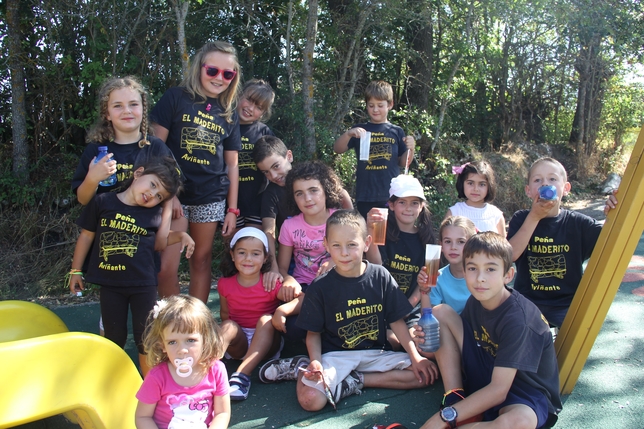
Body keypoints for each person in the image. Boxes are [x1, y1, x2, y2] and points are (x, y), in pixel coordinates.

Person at [259, 210, 439, 411]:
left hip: (375, 353)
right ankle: (302, 366)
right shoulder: (320, 287)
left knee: (424, 375)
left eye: (352, 245)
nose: (344, 253)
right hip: (335, 356)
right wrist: (316, 362)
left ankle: (356, 380)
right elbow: (313, 334)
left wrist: (416, 358)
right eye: (336, 245)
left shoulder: (381, 276)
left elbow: (397, 322)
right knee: (311, 401)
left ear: (367, 243)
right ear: (326, 245)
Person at [418, 232, 562, 429]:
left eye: (490, 269)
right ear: (464, 270)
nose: (480, 278)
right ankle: (455, 396)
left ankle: (455, 416)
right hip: (488, 366)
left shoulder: (520, 320)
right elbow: (455, 346)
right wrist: (427, 337)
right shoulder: (477, 300)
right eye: (472, 268)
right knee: (440, 312)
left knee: (519, 422)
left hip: (522, 390)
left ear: (508, 275)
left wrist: (443, 418)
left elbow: (499, 390)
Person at [69, 158, 195, 376]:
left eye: (159, 197)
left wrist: (181, 234)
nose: (152, 195)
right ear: (138, 174)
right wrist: (76, 270)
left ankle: (150, 387)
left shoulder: (153, 213)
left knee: (145, 338)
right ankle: (112, 381)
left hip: (143, 284)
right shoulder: (103, 201)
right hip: (111, 284)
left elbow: (160, 242)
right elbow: (86, 236)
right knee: (114, 336)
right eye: (153, 185)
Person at [150, 41, 242, 304]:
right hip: (173, 195)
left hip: (210, 195)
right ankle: (171, 322)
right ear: (200, 67)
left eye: (228, 73)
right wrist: (168, 194)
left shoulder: (229, 112)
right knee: (166, 266)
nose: (219, 78)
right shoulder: (176, 97)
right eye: (212, 70)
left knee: (201, 260)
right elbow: (155, 148)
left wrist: (232, 210)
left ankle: (195, 323)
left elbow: (232, 164)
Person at [507, 157, 618, 327]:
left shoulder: (578, 224)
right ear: (529, 191)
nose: (545, 184)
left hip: (568, 304)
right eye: (538, 180)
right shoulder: (521, 219)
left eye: (552, 179)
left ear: (565, 188)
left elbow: (613, 242)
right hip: (528, 302)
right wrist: (535, 216)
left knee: (574, 340)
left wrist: (616, 211)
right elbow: (511, 254)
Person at [218, 227, 301, 400]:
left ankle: (241, 377)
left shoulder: (270, 283)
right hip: (238, 343)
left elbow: (303, 299)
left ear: (265, 259)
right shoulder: (224, 284)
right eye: (242, 253)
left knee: (266, 319)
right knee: (228, 325)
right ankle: (203, 369)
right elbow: (225, 314)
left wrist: (282, 310)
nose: (248, 259)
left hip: (267, 344)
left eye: (255, 254)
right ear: (232, 255)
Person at [252, 135, 353, 277]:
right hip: (295, 256)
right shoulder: (271, 194)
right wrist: (274, 268)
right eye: (266, 172)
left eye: (276, 166)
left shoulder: (310, 176)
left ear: (289, 156)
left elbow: (353, 226)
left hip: (332, 256)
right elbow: (269, 232)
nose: (273, 175)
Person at [72, 76, 174, 206]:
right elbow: (83, 199)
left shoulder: (156, 148)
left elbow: (172, 188)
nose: (127, 111)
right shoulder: (96, 150)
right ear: (107, 114)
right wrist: (93, 178)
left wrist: (171, 205)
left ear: (143, 109)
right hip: (105, 222)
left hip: (144, 224)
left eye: (133, 104)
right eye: (118, 106)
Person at [135, 295, 230, 429]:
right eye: (172, 342)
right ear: (163, 345)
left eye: (190, 340)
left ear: (205, 339)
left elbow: (222, 413)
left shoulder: (215, 370)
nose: (182, 350)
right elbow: (143, 417)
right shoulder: (157, 377)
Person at [274, 161, 345, 342]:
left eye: (313, 190)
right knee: (293, 330)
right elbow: (282, 267)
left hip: (337, 285)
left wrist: (335, 261)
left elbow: (356, 254)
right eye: (300, 193)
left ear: (326, 190)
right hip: (303, 288)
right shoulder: (289, 226)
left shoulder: (339, 219)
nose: (307, 198)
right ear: (293, 197)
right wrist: (289, 279)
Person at [364, 174, 436, 349]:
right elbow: (375, 265)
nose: (408, 208)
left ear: (421, 206)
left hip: (410, 310)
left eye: (414, 203)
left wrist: (407, 306)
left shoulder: (431, 240)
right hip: (379, 306)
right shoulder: (382, 231)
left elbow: (428, 280)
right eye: (402, 202)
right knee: (388, 340)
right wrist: (370, 229)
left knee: (419, 343)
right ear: (391, 205)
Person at [333, 80, 415, 219]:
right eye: (371, 105)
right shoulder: (360, 129)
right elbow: (337, 149)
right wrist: (348, 134)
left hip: (390, 194)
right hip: (365, 194)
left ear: (390, 105)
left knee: (390, 234)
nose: (375, 109)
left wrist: (411, 148)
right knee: (368, 235)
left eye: (380, 105)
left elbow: (403, 162)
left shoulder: (396, 131)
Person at [236, 79, 275, 230]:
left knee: (254, 244)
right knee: (233, 245)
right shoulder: (224, 125)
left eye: (258, 107)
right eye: (249, 100)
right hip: (229, 202)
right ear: (239, 95)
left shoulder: (263, 132)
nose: (251, 108)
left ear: (263, 113)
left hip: (256, 201)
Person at [420, 216, 477, 315]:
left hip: (480, 328)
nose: (453, 247)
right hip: (450, 328)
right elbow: (428, 317)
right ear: (441, 245)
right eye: (448, 241)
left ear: (472, 244)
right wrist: (424, 291)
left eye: (461, 242)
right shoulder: (437, 277)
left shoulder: (481, 276)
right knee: (441, 311)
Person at [446, 160, 505, 236]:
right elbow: (444, 244)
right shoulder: (454, 212)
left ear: (489, 186)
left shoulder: (496, 215)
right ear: (462, 184)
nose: (475, 189)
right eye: (470, 183)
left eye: (482, 184)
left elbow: (504, 246)